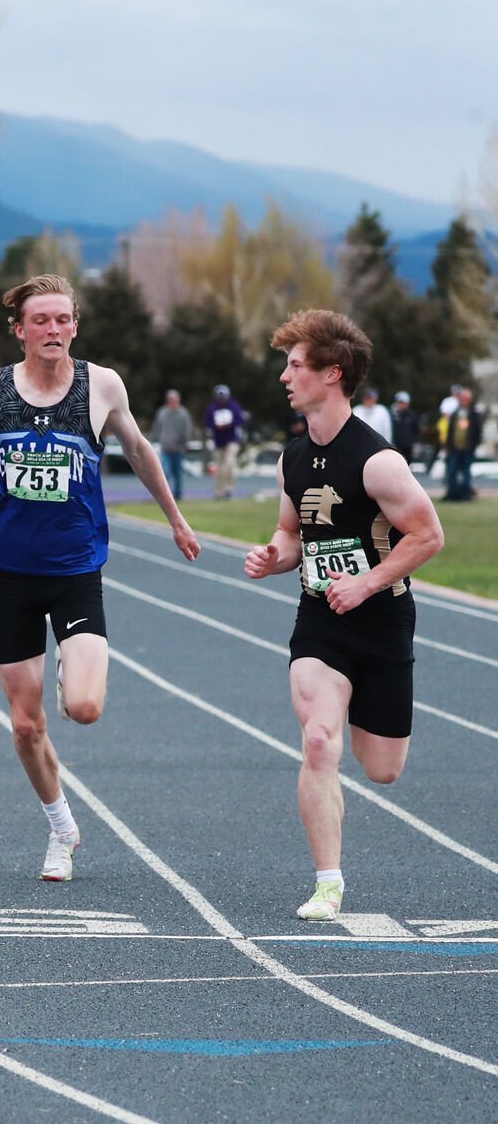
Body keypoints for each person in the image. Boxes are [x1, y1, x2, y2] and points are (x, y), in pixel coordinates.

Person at [0, 274, 199, 881]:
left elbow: (140, 451)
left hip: (76, 568)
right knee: (27, 726)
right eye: (41, 321)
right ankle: (61, 828)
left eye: (63, 320)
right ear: (20, 329)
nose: (53, 330)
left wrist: (177, 520)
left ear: (75, 326)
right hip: (9, 573)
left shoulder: (101, 386)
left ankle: (70, 666)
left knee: (82, 709)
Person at [243, 310, 443, 921]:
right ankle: (328, 882)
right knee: (319, 741)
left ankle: (363, 714)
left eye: (295, 365)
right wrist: (272, 556)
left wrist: (368, 582)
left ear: (333, 375)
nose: (284, 376)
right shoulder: (293, 458)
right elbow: (291, 532)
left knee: (382, 769)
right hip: (320, 624)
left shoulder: (378, 462)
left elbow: (428, 535)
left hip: (382, 624)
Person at [440, 386, 483, 502]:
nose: (463, 400)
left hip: (468, 449)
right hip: (454, 448)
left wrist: (473, 446)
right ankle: (451, 494)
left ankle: (466, 495)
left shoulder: (474, 414)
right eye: (462, 397)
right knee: (452, 471)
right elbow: (450, 431)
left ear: (470, 399)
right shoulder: (455, 413)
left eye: (466, 398)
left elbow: (478, 432)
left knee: (466, 472)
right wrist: (448, 446)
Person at [204, 383, 246, 499]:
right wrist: (216, 426)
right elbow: (207, 423)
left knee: (229, 463)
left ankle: (229, 489)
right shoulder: (212, 408)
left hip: (232, 439)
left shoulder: (233, 406)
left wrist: (229, 425)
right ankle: (219, 492)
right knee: (218, 468)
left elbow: (240, 420)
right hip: (218, 441)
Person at [152, 388, 192, 501]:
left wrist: (183, 442)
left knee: (178, 473)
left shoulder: (183, 414)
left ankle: (178, 494)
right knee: (165, 472)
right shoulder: (162, 413)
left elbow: (187, 429)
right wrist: (155, 438)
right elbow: (157, 427)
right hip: (165, 448)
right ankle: (166, 495)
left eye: (173, 399)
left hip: (178, 449)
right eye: (170, 399)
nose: (171, 402)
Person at [390, 391, 421, 466]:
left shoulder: (412, 415)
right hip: (395, 446)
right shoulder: (391, 415)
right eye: (401, 402)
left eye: (405, 403)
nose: (403, 405)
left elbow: (416, 431)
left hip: (408, 447)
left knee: (407, 465)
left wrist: (415, 444)